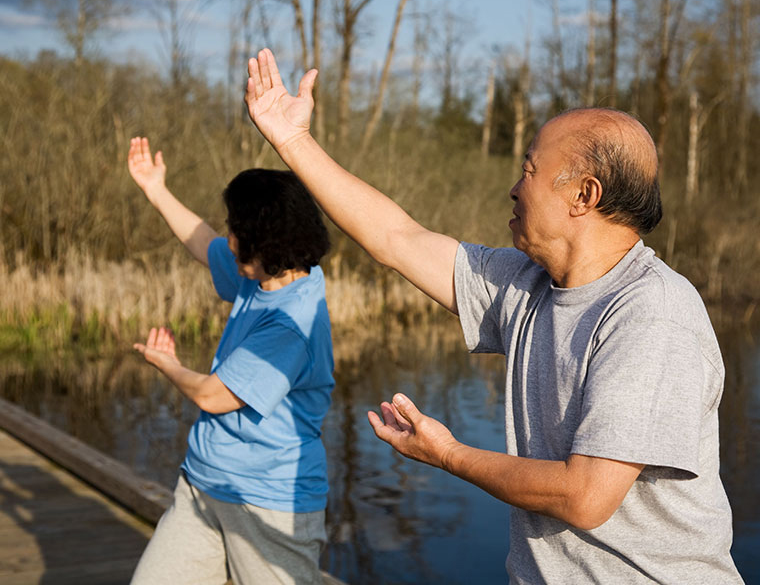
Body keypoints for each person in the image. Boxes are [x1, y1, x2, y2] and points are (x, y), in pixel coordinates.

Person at [243, 48, 744, 584]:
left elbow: (585, 497)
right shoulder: (525, 284)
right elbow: (397, 239)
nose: (513, 186)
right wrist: (292, 141)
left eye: (530, 169)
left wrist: (449, 455)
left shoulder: (651, 314)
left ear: (584, 195)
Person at [126, 136, 334, 585]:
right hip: (203, 484)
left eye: (235, 228)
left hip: (267, 504)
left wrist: (166, 363)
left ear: (264, 241)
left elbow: (213, 396)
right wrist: (155, 189)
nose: (228, 236)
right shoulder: (261, 276)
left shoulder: (291, 325)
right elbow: (202, 240)